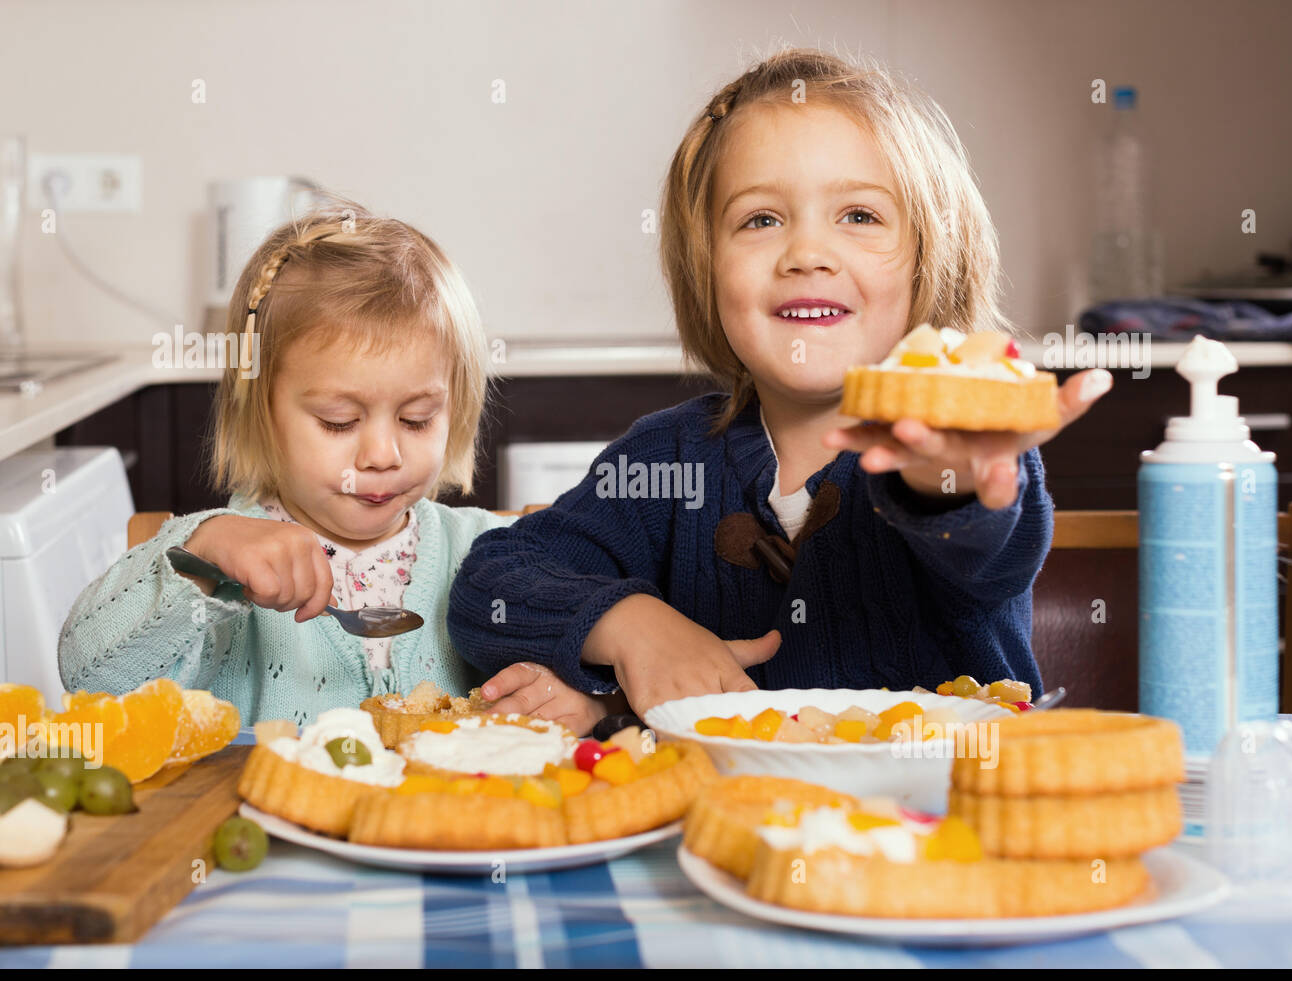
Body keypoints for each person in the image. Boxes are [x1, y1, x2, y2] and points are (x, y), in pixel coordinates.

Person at [447, 48, 1114, 716]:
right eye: (761, 219)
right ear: (706, 269)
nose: (807, 255)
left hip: (943, 816)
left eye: (859, 215)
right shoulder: (664, 460)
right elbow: (490, 581)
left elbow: (984, 540)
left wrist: (948, 481)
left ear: (930, 259)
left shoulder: (969, 447)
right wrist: (631, 627)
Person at [59, 199, 614, 733]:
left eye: (417, 419)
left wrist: (583, 702)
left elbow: (607, 676)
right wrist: (200, 559)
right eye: (339, 421)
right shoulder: (219, 564)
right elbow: (89, 681)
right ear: (262, 412)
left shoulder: (498, 556)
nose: (382, 456)